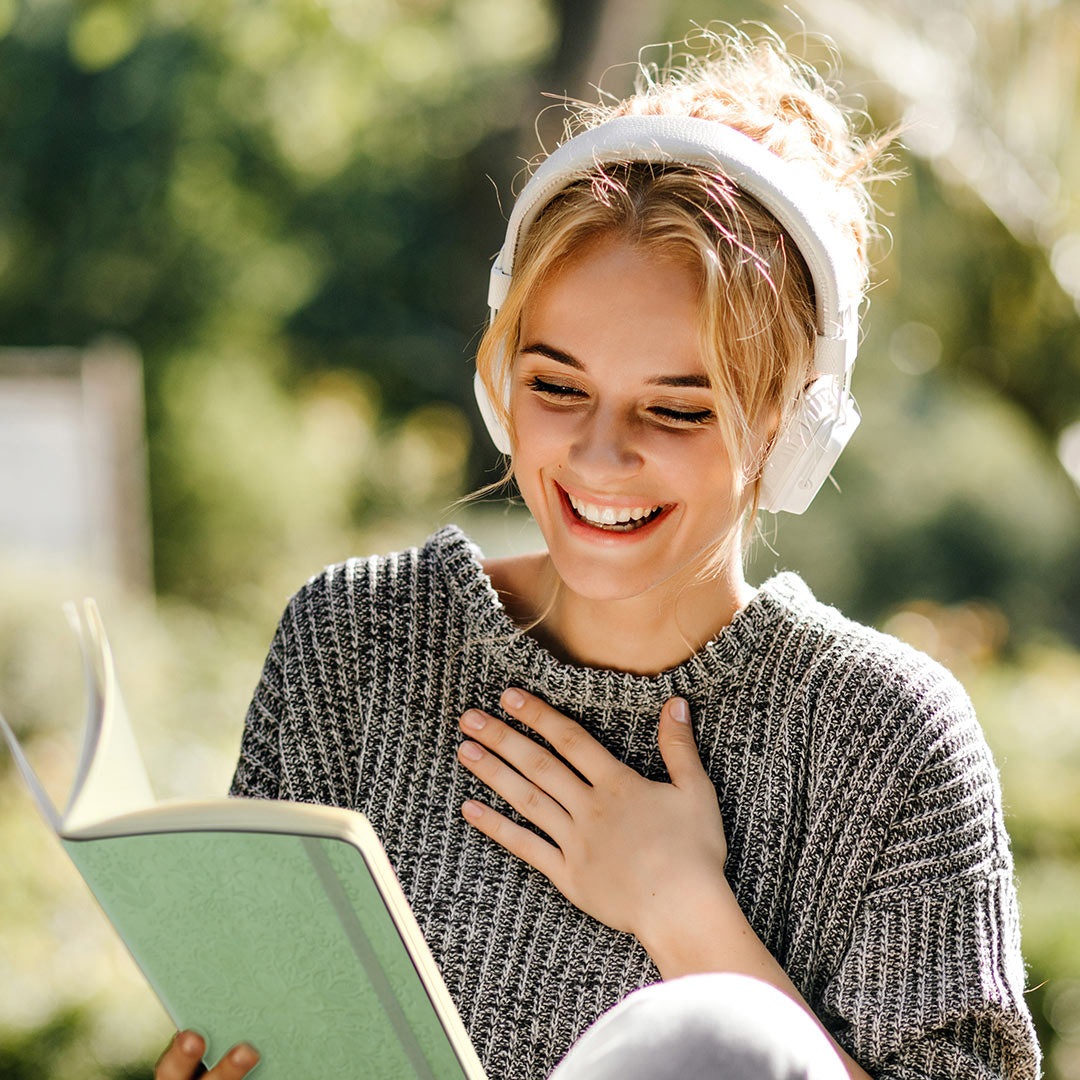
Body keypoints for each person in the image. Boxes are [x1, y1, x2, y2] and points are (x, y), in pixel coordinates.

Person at [153, 26, 1040, 1080]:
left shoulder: (891, 743)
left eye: (676, 407)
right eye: (558, 386)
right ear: (498, 383)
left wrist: (684, 908)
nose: (600, 456)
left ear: (787, 429)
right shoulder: (355, 646)